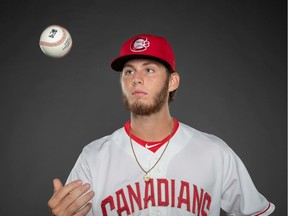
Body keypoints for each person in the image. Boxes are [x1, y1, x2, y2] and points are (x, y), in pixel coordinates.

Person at [48, 34, 275, 216]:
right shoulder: (93, 157)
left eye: (149, 69)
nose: (136, 78)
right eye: (129, 71)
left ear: (172, 82)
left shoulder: (215, 152)